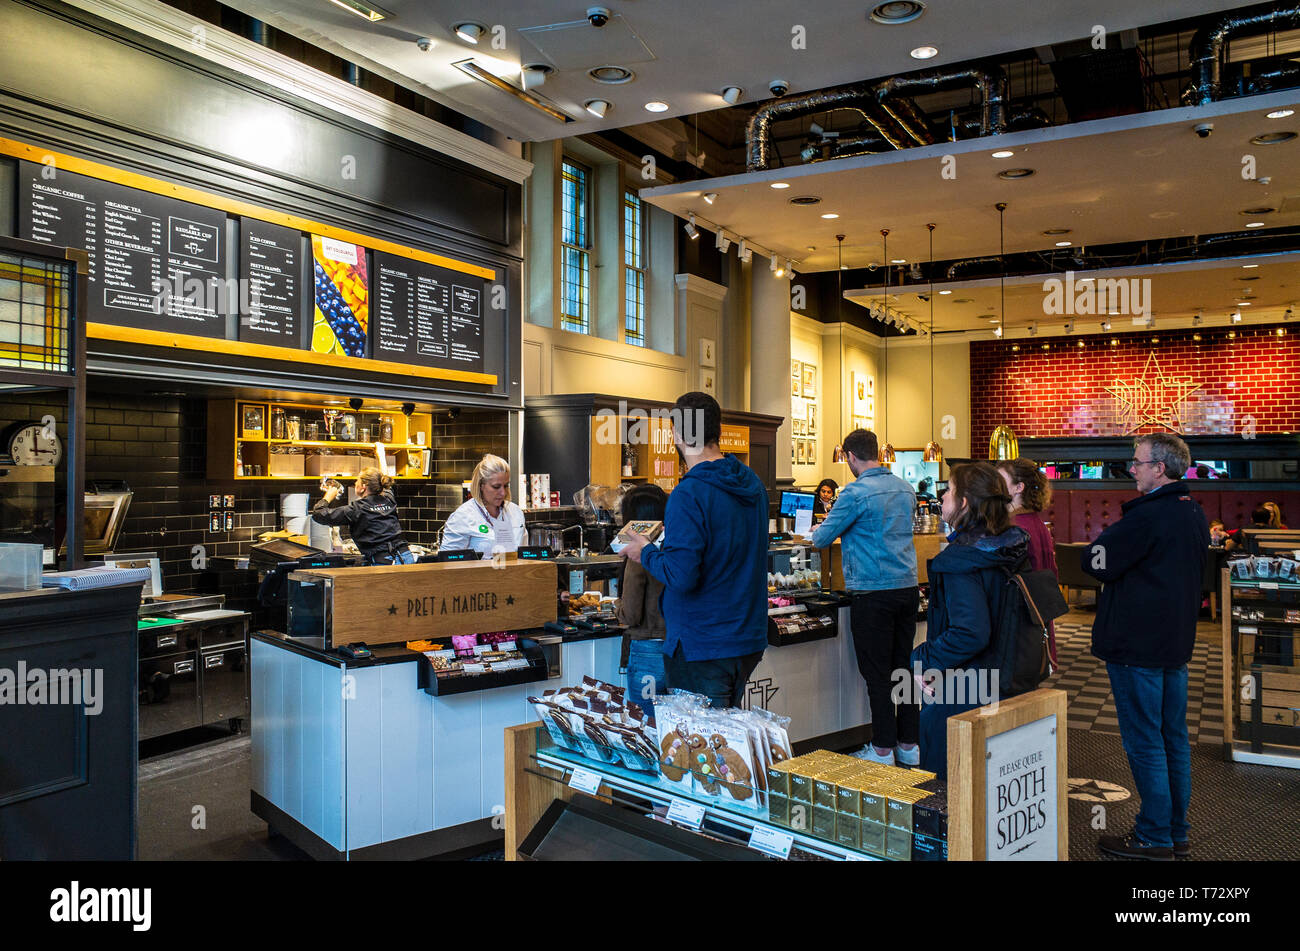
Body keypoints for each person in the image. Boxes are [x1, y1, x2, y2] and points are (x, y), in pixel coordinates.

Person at [1082, 433, 1209, 861]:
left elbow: (1094, 560)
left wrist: (1102, 548)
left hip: (1137, 646)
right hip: (1175, 644)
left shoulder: (1147, 516)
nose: (1131, 468)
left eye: (1137, 462)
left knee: (1144, 742)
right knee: (1173, 739)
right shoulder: (1192, 512)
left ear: (1161, 468)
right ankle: (1175, 831)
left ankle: (1154, 836)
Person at [620, 392, 768, 710]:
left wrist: (645, 552)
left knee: (699, 752)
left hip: (703, 642)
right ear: (717, 430)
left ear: (676, 433)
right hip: (747, 637)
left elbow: (683, 575)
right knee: (725, 745)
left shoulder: (689, 493)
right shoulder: (753, 484)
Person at [910, 463, 1029, 779]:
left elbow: (970, 632)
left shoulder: (962, 559)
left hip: (967, 687)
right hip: (1011, 675)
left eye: (948, 489)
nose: (943, 496)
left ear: (964, 502)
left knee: (949, 785)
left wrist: (922, 659)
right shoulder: (1011, 544)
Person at [811, 429, 919, 765]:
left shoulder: (855, 494)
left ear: (850, 457)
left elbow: (821, 540)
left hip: (872, 593)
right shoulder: (905, 488)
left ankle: (883, 748)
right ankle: (909, 745)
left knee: (876, 673)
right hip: (907, 589)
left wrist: (819, 529)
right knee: (902, 668)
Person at [996, 458, 1060, 667]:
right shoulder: (1036, 522)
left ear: (1018, 488)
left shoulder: (1014, 527)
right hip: (1040, 614)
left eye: (999, 480)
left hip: (1021, 619)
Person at [615, 485, 668, 719]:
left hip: (647, 651)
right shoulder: (677, 547)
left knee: (646, 727)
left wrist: (615, 606)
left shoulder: (639, 553)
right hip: (678, 650)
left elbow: (631, 614)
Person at [311, 466, 414, 565]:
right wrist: (380, 452)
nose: (355, 483)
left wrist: (329, 495)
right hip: (406, 556)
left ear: (363, 487)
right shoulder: (388, 498)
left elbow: (318, 514)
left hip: (383, 562)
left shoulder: (356, 509)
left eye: (357, 481)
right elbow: (385, 478)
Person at [440, 454, 527, 558]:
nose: (503, 493)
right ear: (481, 485)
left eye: (506, 486)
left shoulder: (515, 512)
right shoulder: (463, 516)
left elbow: (524, 555)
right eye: (496, 487)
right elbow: (446, 561)